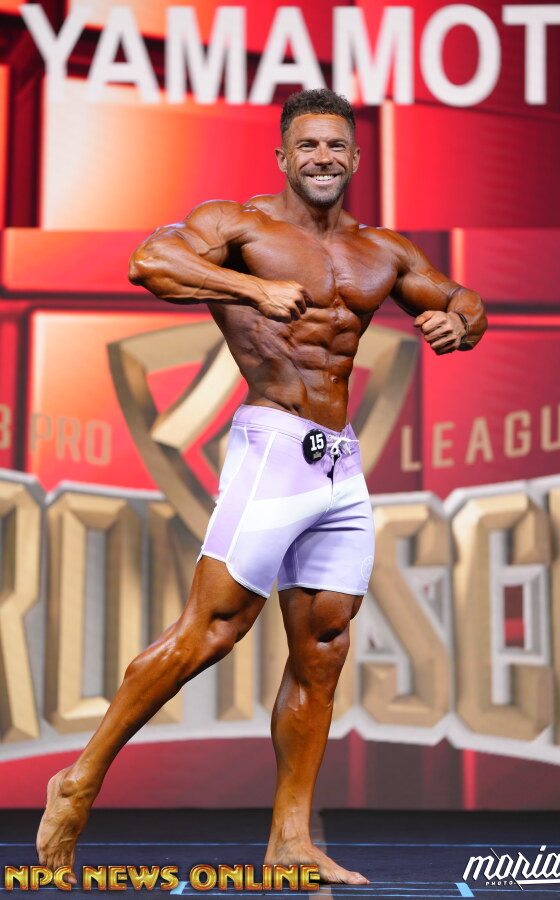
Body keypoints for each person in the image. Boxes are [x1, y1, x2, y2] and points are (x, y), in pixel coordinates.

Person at [36, 88, 487, 885]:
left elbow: (456, 296)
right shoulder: (239, 227)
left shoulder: (382, 249)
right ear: (283, 157)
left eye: (336, 145)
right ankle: (77, 784)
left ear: (355, 158)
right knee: (211, 630)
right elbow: (149, 262)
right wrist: (250, 290)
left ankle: (290, 840)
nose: (323, 157)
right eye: (308, 145)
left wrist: (463, 319)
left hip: (339, 464)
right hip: (272, 446)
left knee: (323, 646)